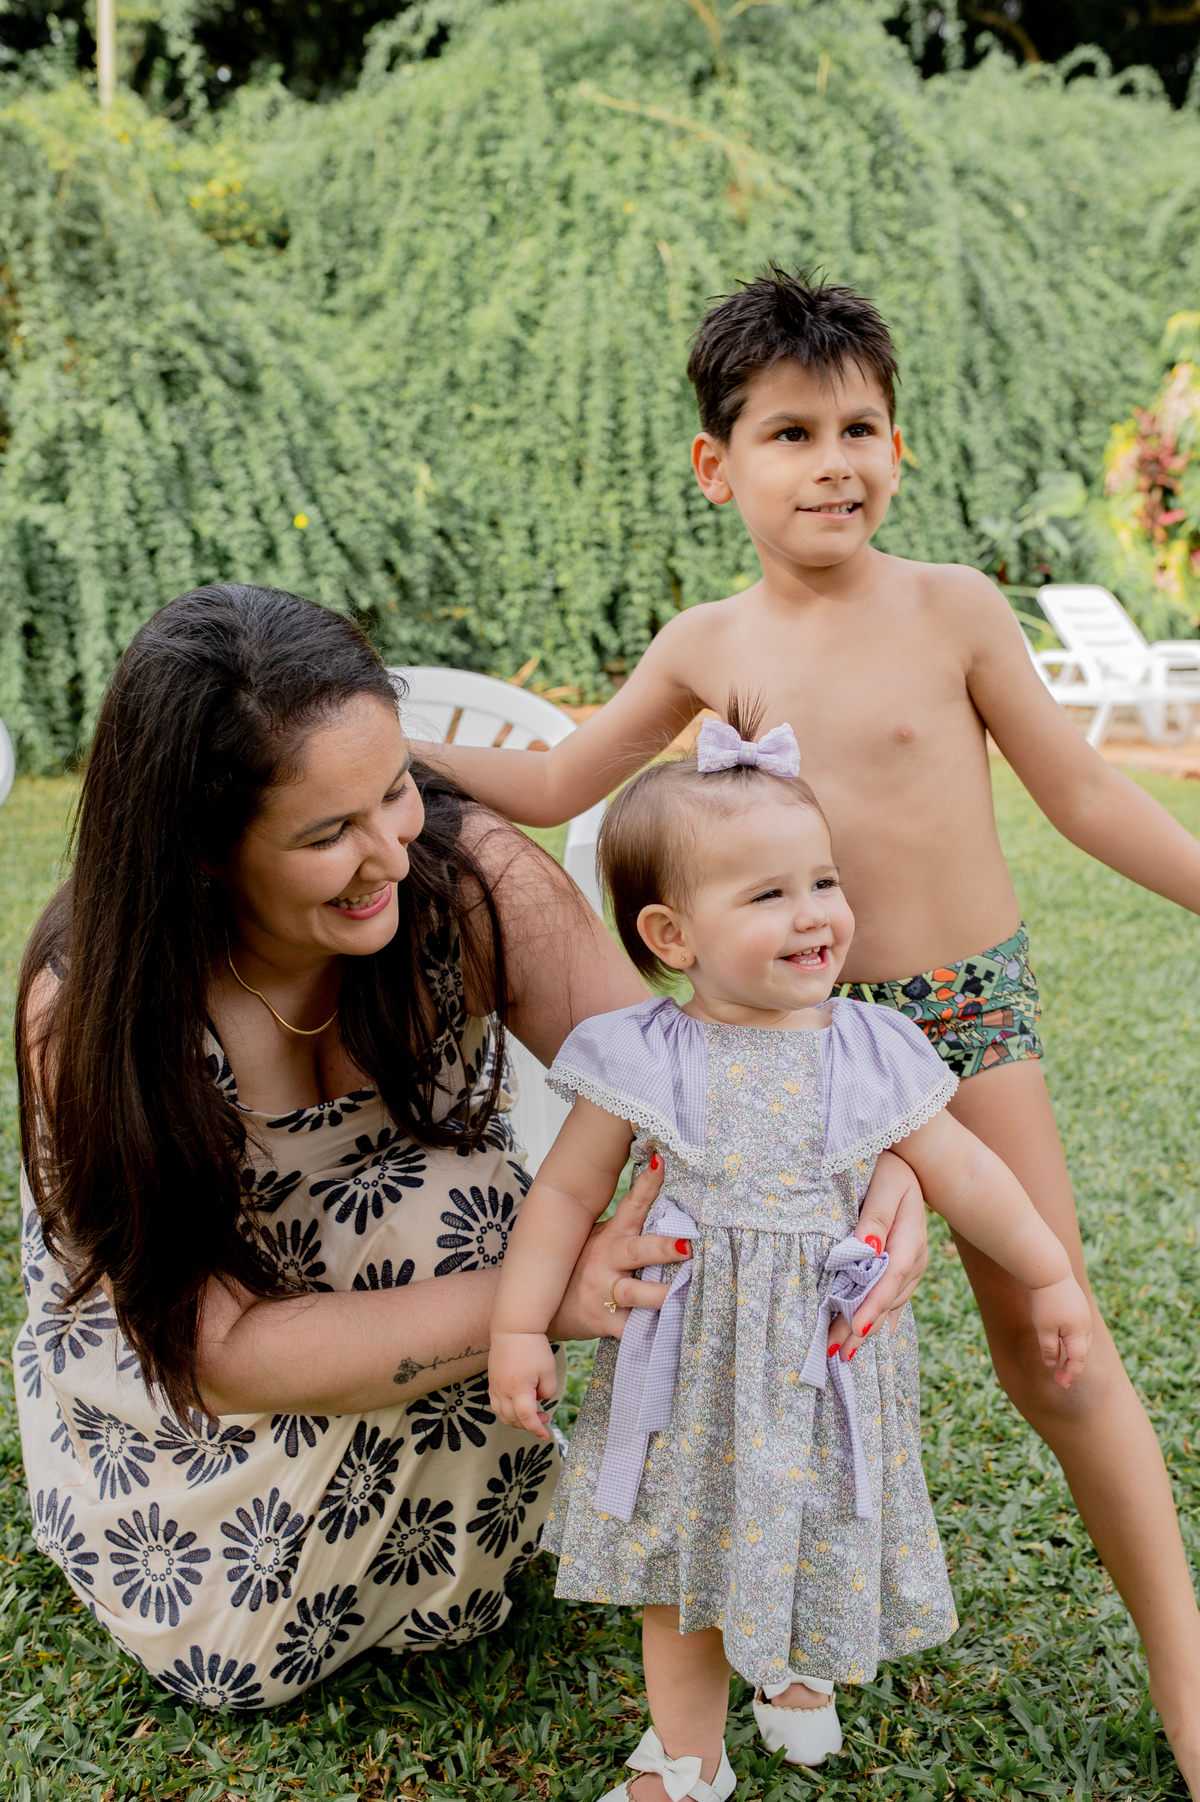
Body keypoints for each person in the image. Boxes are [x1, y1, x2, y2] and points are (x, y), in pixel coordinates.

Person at [416, 269, 1200, 1788]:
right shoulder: (707, 641)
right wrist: (392, 748)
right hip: (776, 1039)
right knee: (753, 1348)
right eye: (791, 433)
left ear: (897, 443)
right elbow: (565, 777)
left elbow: (1088, 792)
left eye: (860, 428)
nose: (834, 462)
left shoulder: (954, 607)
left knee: (1058, 1348)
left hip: (963, 1018)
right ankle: (739, 1666)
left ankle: (1185, 1667)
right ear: (718, 465)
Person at [14, 582, 721, 1709]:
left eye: (395, 788)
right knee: (243, 1654)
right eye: (325, 834)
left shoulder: (464, 876)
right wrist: (544, 1294)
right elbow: (220, 1351)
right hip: (200, 1398)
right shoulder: (99, 1008)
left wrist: (880, 1170)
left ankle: (446, 1555)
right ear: (203, 850)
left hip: (428, 1311)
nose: (391, 851)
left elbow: (684, 1092)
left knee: (459, 1207)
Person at [487, 717, 1092, 1800]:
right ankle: (688, 1758)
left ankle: (798, 1669)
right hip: (691, 1369)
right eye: (768, 894)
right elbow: (567, 1195)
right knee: (684, 1564)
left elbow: (967, 1174)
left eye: (824, 881)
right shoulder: (648, 1055)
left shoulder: (872, 1049)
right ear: (673, 935)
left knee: (811, 1524)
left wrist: (1049, 1273)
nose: (814, 913)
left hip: (822, 1363)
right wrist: (520, 1323)